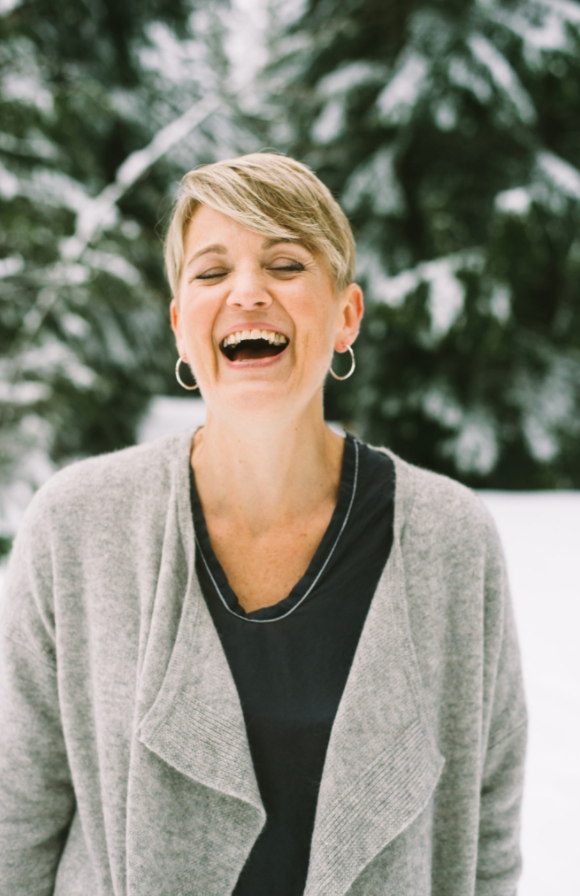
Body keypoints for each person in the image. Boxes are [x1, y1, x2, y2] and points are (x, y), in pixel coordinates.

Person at [0, 153, 527, 896]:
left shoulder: (451, 539)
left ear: (346, 316)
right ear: (181, 328)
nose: (246, 292)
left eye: (285, 264)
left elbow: (486, 835)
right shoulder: (75, 527)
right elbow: (14, 824)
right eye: (212, 272)